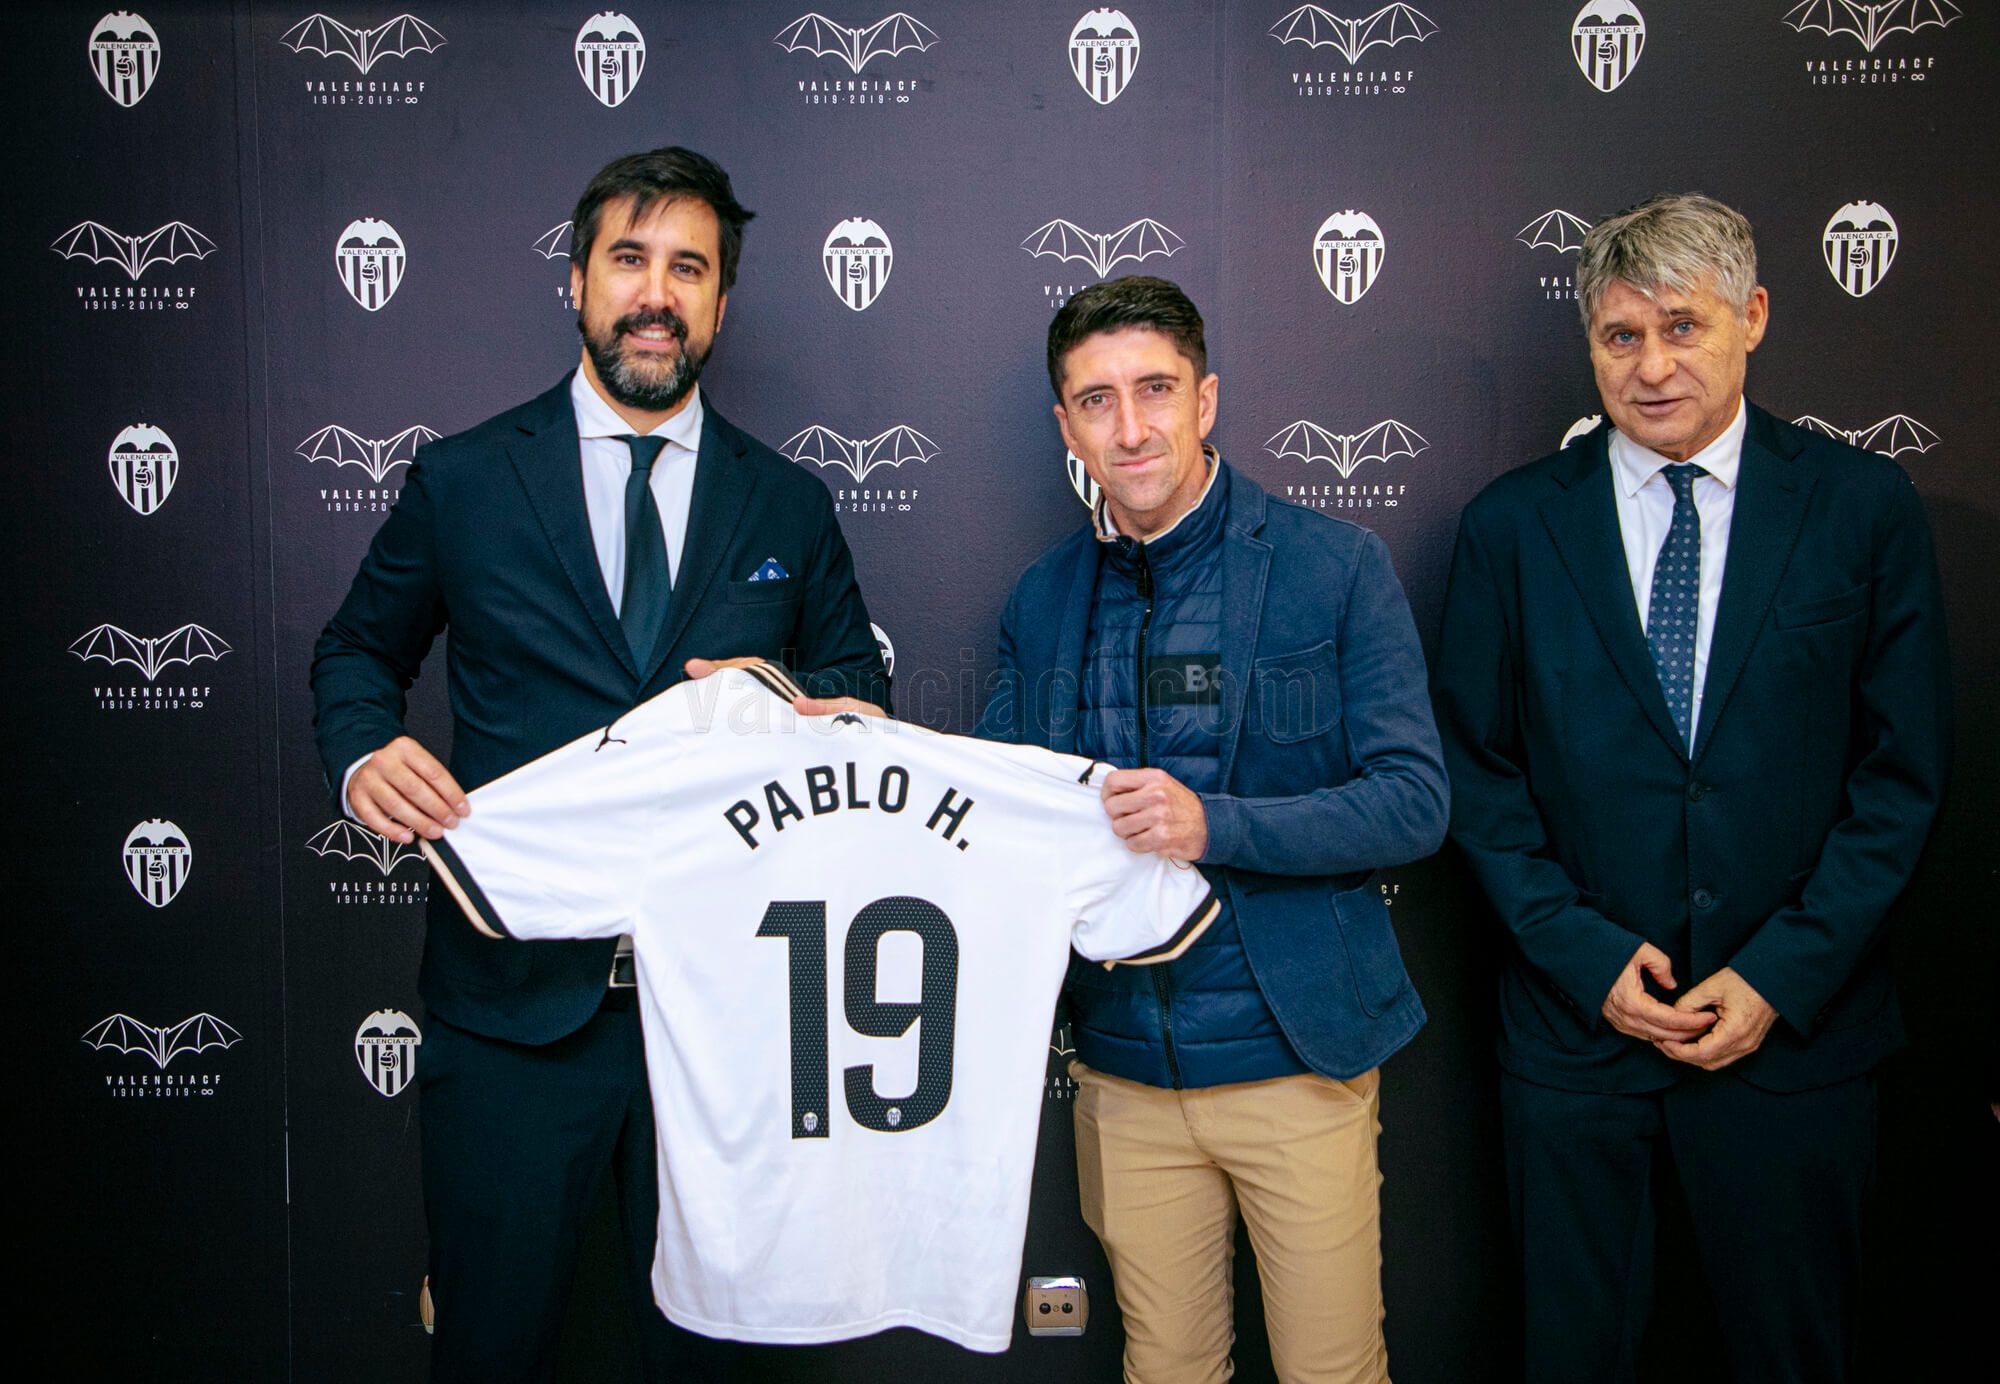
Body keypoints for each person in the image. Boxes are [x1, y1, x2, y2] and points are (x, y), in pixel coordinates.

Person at [311, 146, 887, 1383]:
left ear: (722, 303)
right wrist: (363, 751)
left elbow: (862, 705)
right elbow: (357, 650)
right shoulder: (464, 478)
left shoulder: (788, 504)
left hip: (728, 1028)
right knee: (497, 1344)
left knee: (721, 1359)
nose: (656, 293)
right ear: (575, 281)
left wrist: (793, 710)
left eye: (689, 267)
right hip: (512, 1016)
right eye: (629, 259)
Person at [1431, 193, 1950, 1383]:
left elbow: (1901, 776)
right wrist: (1580, 958)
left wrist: (1778, 972)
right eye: (1621, 336)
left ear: (1751, 317)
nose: (1652, 365)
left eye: (1682, 325)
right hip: (1575, 1045)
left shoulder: (1860, 508)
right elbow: (1477, 768)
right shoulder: (1511, 529)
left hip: (1791, 1048)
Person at [977, 275, 1447, 1383]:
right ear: (1065, 426)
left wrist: (1211, 823)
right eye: (1095, 401)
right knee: (1165, 1367)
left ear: (1206, 400)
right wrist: (858, 742)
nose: (1129, 426)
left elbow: (1413, 800)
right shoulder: (1038, 599)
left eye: (1154, 390)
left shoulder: (1333, 567)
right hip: (1122, 1069)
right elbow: (990, 804)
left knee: (1333, 1370)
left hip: (1294, 1063)